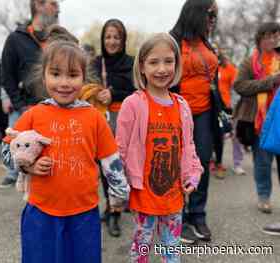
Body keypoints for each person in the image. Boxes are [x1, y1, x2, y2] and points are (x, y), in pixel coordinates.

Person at [1, 40, 130, 263]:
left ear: (83, 78)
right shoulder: (34, 114)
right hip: (41, 213)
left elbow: (111, 159)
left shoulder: (94, 117)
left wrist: (119, 194)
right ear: (44, 76)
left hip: (84, 214)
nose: (64, 83)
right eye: (56, 74)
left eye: (72, 75)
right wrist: (28, 166)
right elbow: (6, 149)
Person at [116, 33, 202, 262]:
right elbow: (120, 149)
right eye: (154, 62)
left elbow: (189, 146)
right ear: (142, 66)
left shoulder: (182, 106)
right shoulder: (132, 104)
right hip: (144, 195)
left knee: (171, 250)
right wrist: (118, 186)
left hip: (174, 195)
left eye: (168, 61)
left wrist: (193, 175)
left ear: (177, 63)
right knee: (141, 247)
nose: (162, 69)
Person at [170, 0, 219, 243]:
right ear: (196, 13)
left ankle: (197, 214)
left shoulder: (207, 42)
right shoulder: (173, 41)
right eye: (210, 14)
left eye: (215, 16)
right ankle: (177, 216)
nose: (213, 20)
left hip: (204, 114)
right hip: (176, 113)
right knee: (176, 164)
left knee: (202, 161)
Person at [0, 0, 60, 188]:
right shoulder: (16, 39)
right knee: (14, 154)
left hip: (55, 108)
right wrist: (19, 104)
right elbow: (6, 75)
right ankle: (13, 174)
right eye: (53, 3)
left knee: (52, 162)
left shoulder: (58, 38)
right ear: (39, 5)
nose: (57, 7)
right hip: (26, 107)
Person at [92, 18, 136, 237]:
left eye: (116, 37)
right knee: (104, 165)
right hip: (100, 118)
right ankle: (111, 208)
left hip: (124, 119)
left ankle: (114, 211)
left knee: (119, 166)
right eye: (108, 36)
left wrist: (114, 93)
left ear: (123, 39)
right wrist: (96, 93)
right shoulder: (95, 62)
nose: (112, 41)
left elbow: (137, 91)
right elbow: (86, 87)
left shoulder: (131, 63)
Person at [233, 22, 280, 214]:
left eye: (276, 36)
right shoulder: (249, 62)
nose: (272, 40)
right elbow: (240, 86)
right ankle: (264, 197)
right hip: (260, 121)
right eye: (268, 36)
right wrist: (271, 81)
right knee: (263, 163)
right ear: (259, 39)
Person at [210, 50, 238, 179]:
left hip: (224, 106)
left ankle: (219, 163)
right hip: (209, 104)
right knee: (208, 134)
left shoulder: (228, 68)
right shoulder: (208, 67)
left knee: (220, 134)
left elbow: (237, 84)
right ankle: (210, 159)